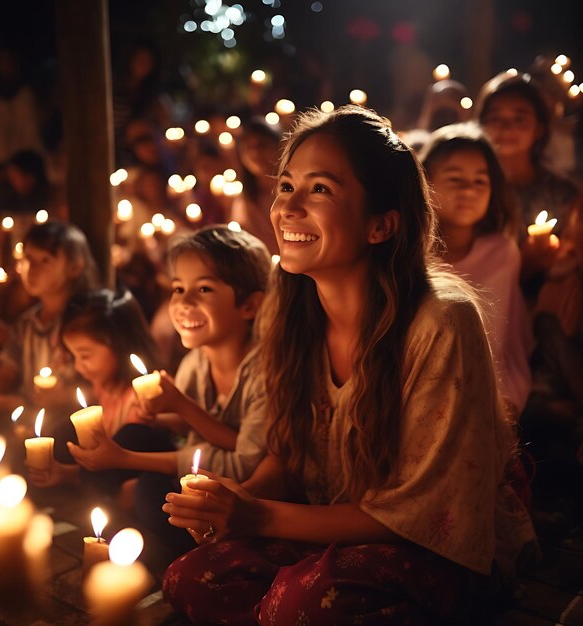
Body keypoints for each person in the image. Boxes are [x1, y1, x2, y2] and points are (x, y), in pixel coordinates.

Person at [161, 106, 537, 625]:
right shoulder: (289, 311)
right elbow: (287, 453)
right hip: (325, 527)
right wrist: (235, 503)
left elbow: (425, 514)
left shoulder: (441, 321)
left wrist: (260, 516)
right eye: (286, 186)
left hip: (435, 550)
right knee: (190, 577)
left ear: (380, 224)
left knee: (298, 605)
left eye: (320, 189)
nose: (288, 208)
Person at [68, 226, 271, 553]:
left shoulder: (266, 372)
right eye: (178, 288)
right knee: (132, 432)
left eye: (203, 289)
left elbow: (244, 458)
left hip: (236, 490)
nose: (184, 302)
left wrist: (179, 406)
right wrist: (162, 416)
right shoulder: (195, 363)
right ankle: (108, 521)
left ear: (249, 306)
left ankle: (155, 552)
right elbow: (189, 428)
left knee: (150, 493)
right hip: (200, 465)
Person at [420, 122, 533, 418]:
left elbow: (505, 340)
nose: (469, 190)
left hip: (491, 396)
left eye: (480, 181)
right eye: (455, 179)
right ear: (425, 184)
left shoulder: (502, 253)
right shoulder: (410, 257)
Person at [29, 289, 175, 503]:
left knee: (133, 434)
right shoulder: (101, 387)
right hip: (105, 477)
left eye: (85, 355)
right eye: (74, 356)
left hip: (143, 473)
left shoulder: (150, 395)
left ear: (120, 344)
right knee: (61, 429)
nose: (79, 366)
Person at [0, 219, 99, 415]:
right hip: (27, 422)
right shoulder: (26, 324)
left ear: (75, 267)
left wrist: (17, 404)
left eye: (45, 260)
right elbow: (7, 370)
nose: (32, 268)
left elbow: (100, 391)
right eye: (28, 258)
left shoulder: (86, 323)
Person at [474, 71, 583, 302]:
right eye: (495, 118)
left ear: (540, 128)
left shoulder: (562, 194)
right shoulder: (470, 188)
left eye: (520, 118)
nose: (506, 127)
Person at [230, 118, 282, 255]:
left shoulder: (291, 190)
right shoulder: (243, 199)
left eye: (262, 145)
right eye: (248, 147)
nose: (255, 153)